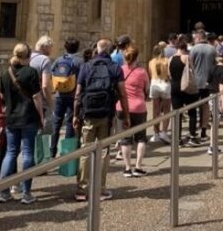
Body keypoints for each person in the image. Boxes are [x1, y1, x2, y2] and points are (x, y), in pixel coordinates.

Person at [73, 39, 130, 201]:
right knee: (104, 151)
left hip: (88, 114)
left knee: (85, 151)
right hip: (107, 114)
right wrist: (126, 115)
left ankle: (82, 190)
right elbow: (123, 94)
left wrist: (75, 115)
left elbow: (78, 94)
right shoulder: (115, 68)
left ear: (97, 50)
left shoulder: (86, 66)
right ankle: (100, 188)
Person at [0, 43, 43, 204]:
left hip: (11, 118)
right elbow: (37, 97)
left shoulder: (5, 73)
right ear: (28, 56)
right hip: (28, 117)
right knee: (27, 153)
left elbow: (2, 98)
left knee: (10, 153)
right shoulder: (31, 72)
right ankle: (26, 193)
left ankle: (4, 192)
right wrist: (41, 116)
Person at [118, 47, 149, 177]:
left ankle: (127, 168)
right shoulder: (142, 72)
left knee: (125, 139)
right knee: (140, 138)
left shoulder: (120, 71)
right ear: (137, 57)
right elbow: (146, 89)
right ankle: (138, 166)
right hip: (138, 107)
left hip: (122, 107)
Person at [50, 37, 83, 158]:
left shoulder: (59, 59)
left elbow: (52, 73)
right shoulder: (80, 61)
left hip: (59, 95)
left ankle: (52, 151)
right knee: (70, 122)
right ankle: (67, 152)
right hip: (73, 95)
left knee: (57, 122)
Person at [169, 36, 200, 146]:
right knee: (192, 111)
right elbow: (192, 71)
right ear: (185, 48)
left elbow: (170, 74)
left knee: (177, 113)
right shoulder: (186, 58)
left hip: (174, 87)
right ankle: (192, 136)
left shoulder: (171, 58)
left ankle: (177, 138)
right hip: (186, 87)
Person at [190, 31, 217, 140]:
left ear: (198, 38)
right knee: (205, 106)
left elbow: (190, 64)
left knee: (194, 105)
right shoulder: (212, 49)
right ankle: (203, 130)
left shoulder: (194, 49)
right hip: (208, 81)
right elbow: (215, 64)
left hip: (195, 81)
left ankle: (193, 130)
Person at [147, 43, 171, 144]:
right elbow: (169, 74)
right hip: (164, 84)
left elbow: (150, 74)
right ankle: (164, 132)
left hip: (154, 84)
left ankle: (156, 133)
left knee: (155, 111)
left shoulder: (151, 62)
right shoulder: (167, 61)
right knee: (166, 110)